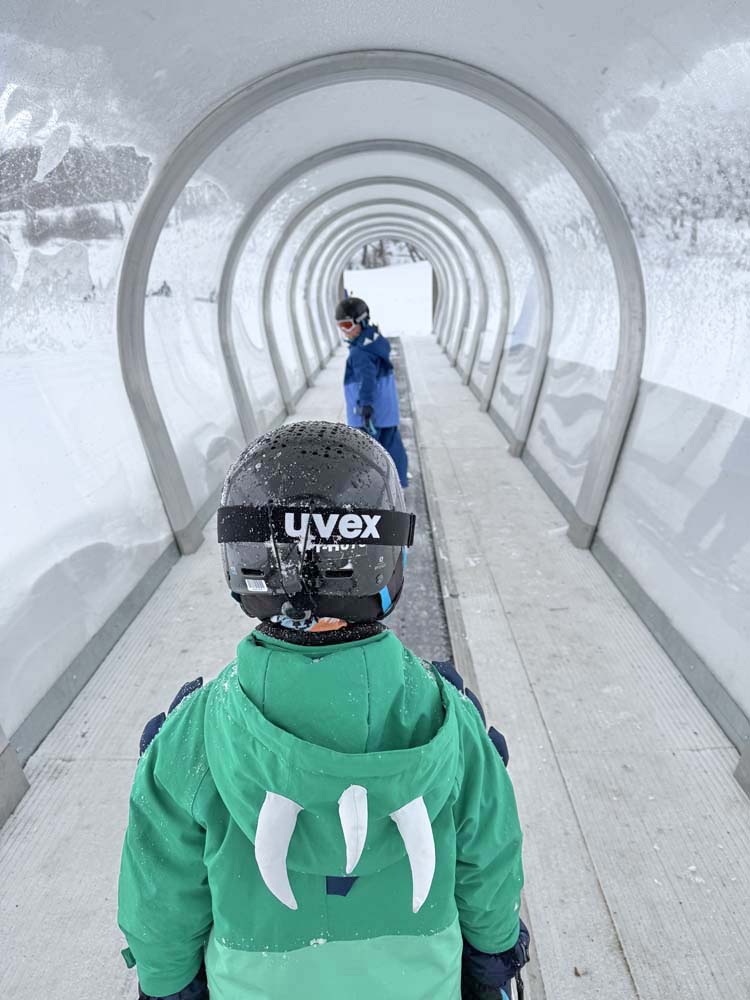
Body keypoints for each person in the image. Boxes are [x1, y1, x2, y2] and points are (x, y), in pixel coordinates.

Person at [118, 421, 529, 1000]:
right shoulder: (449, 723)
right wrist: (492, 964)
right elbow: (491, 865)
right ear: (386, 557)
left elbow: (159, 896)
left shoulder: (194, 733)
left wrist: (165, 986)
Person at [336, 295, 409, 488]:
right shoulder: (375, 342)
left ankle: (365, 489)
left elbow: (366, 381)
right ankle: (398, 482)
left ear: (361, 321)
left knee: (364, 453)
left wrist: (365, 406)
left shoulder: (360, 353)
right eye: (341, 326)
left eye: (348, 325)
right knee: (392, 447)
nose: (345, 332)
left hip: (370, 414)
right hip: (386, 412)